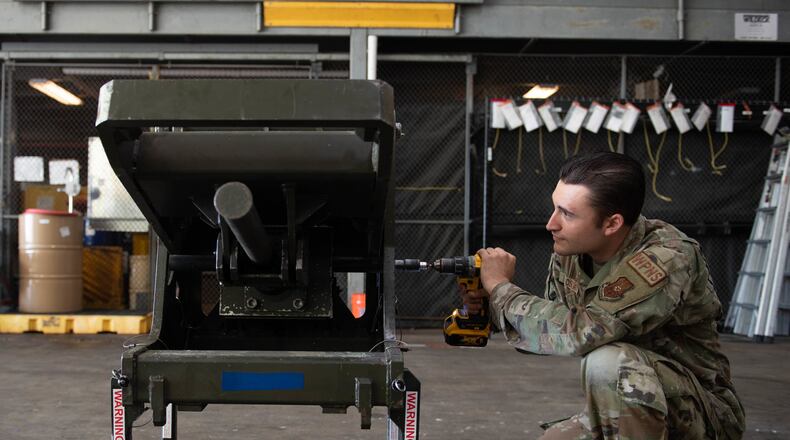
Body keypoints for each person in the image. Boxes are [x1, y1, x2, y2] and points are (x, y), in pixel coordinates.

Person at [465, 152, 745, 439]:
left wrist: (502, 289)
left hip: (699, 413)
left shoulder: (665, 259)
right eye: (554, 208)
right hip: (632, 401)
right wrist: (492, 307)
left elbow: (581, 333)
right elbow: (554, 333)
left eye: (568, 214)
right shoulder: (571, 254)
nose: (551, 224)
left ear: (611, 224)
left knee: (608, 361)